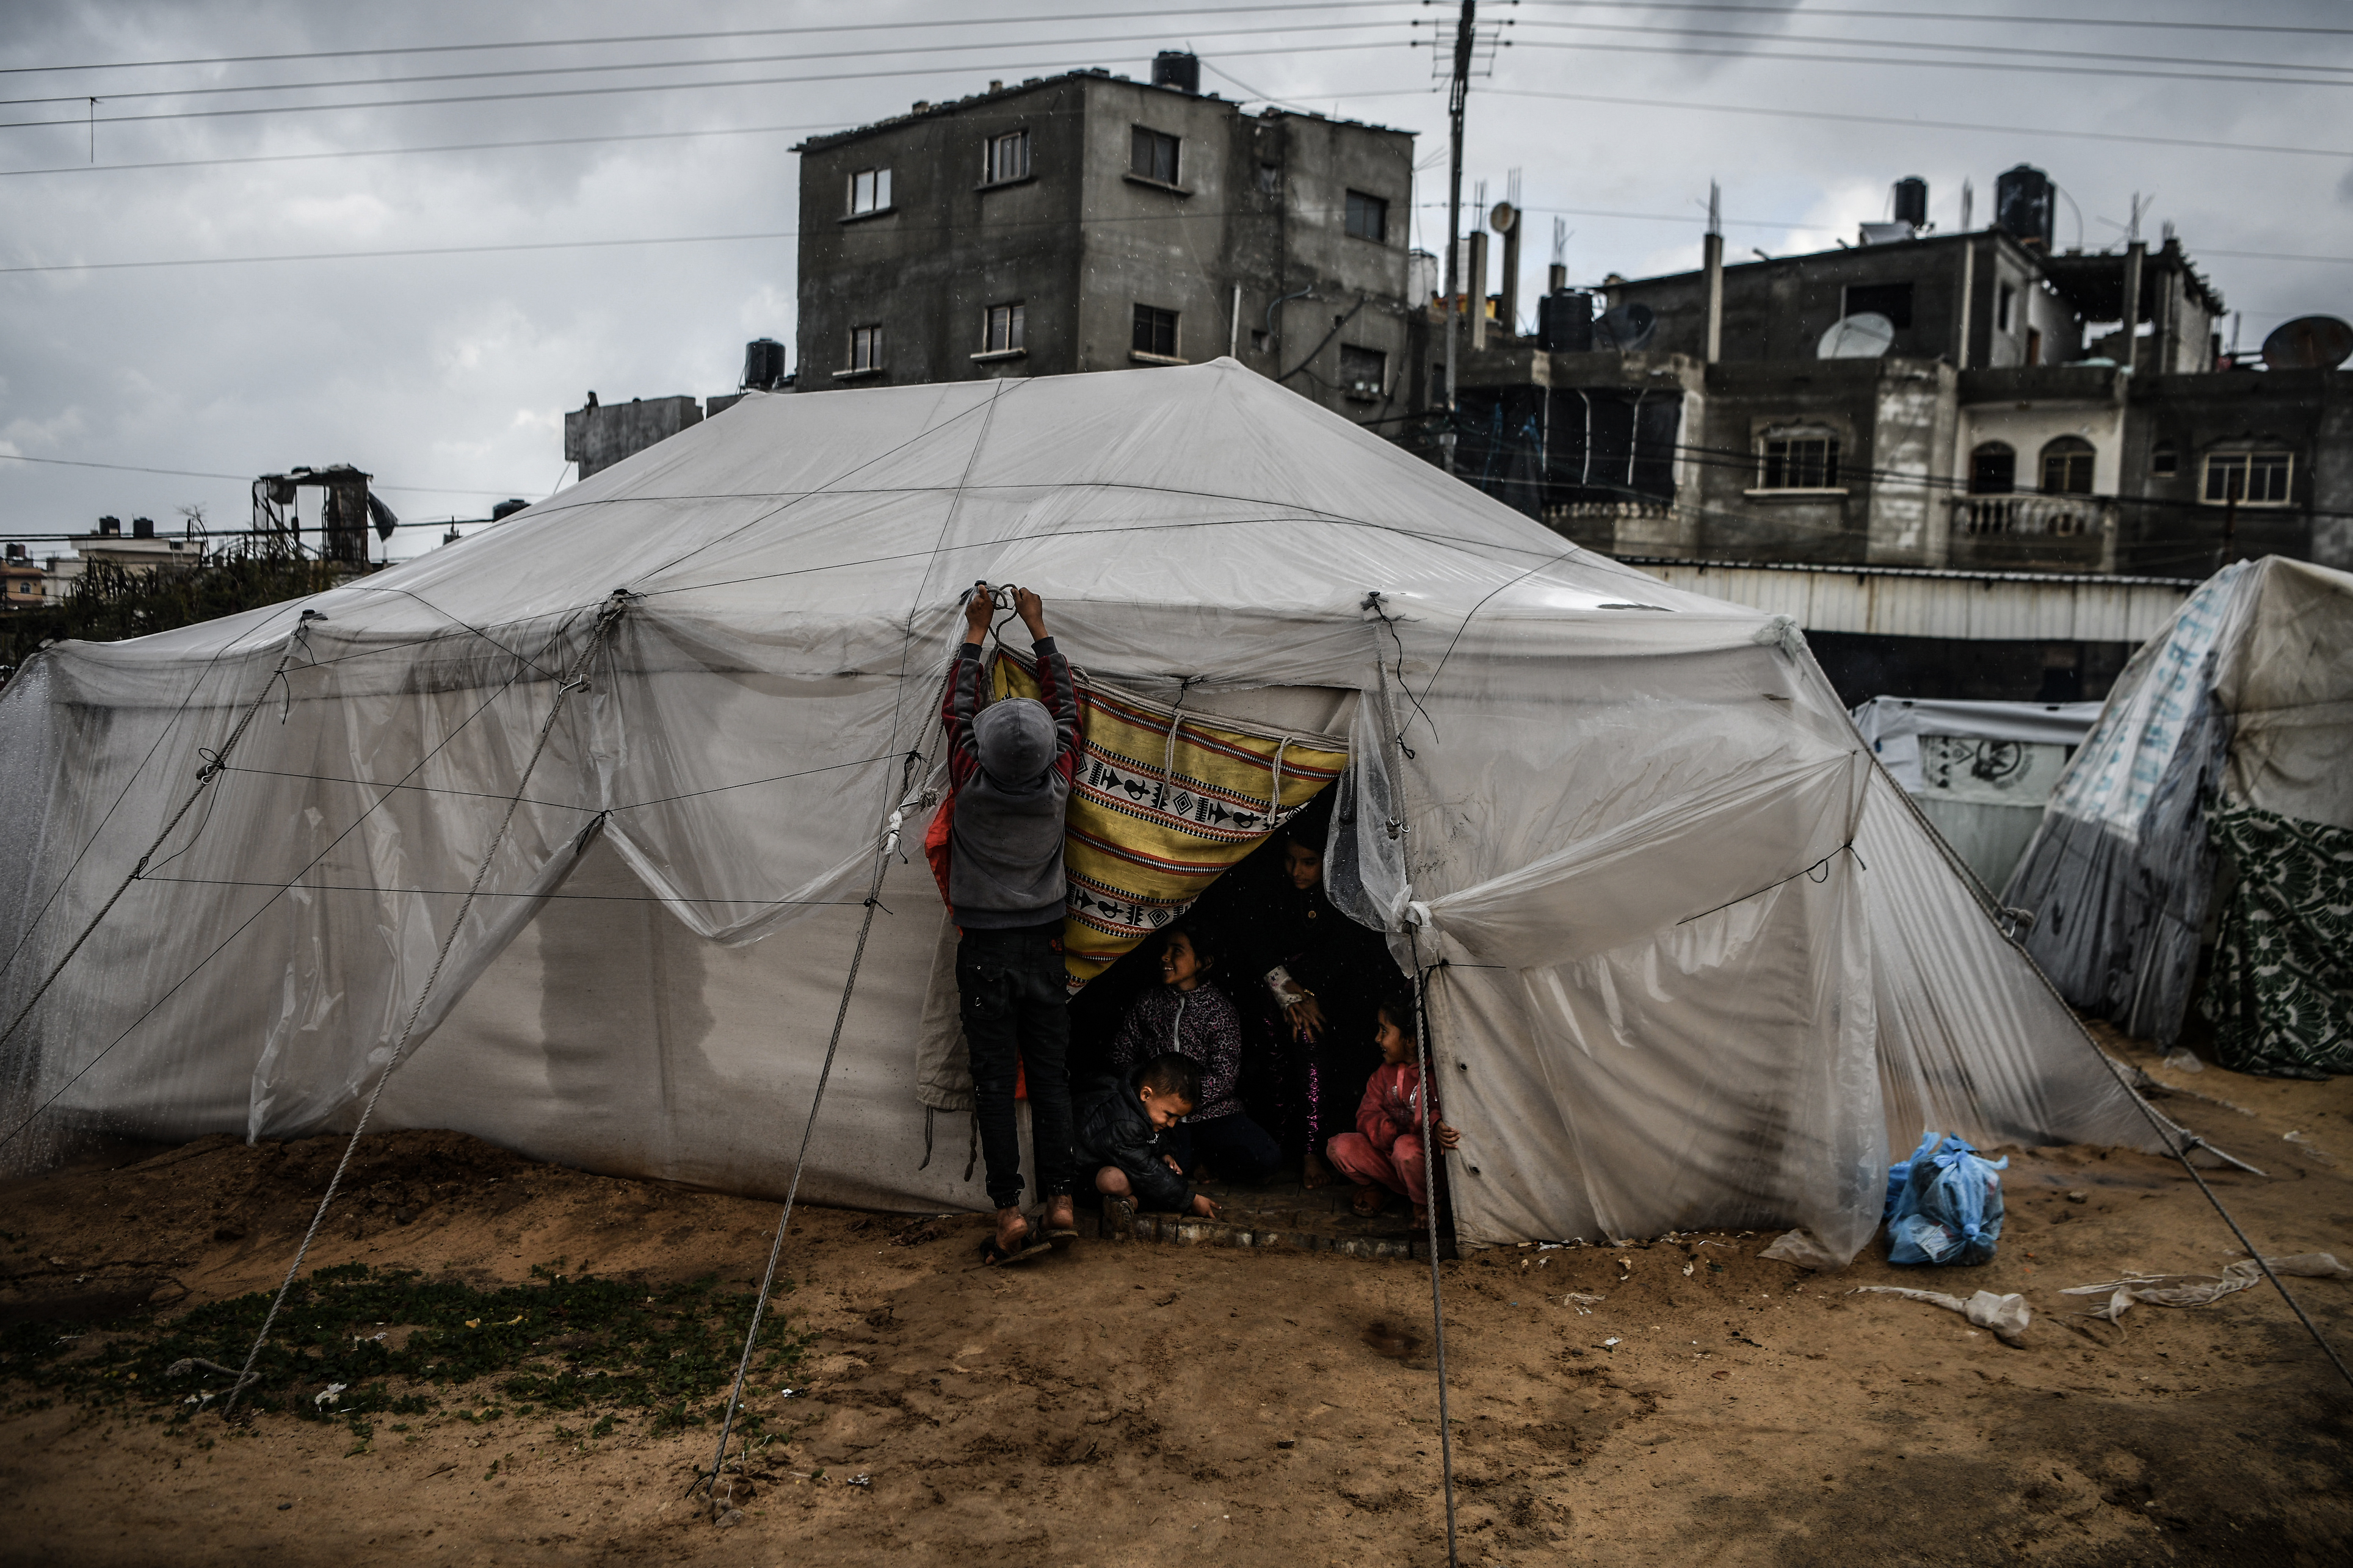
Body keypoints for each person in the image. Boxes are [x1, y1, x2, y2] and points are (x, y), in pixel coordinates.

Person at [944, 581, 1083, 1264]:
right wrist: (1037, 625)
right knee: (1051, 1079)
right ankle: (1060, 1201)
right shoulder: (1058, 780)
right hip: (1044, 945)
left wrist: (976, 631)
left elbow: (955, 709)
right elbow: (1069, 707)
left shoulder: (969, 777)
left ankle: (1009, 1214)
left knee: (996, 1085)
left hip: (984, 951)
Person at [1226, 823, 1392, 1188]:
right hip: (1276, 992)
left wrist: (1308, 998)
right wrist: (1289, 994)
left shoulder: (1342, 898)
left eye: (1308, 862)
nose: (1297, 871)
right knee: (1272, 1064)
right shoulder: (1271, 890)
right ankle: (1281, 1147)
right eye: (1290, 860)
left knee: (1311, 1047)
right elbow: (1254, 941)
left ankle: (1311, 1149)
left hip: (1324, 997)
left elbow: (1343, 955)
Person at [1104, 923, 1279, 1186]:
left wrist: (1182, 1100)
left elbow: (1224, 1077)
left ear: (1203, 963)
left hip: (1211, 1114)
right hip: (1158, 1116)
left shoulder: (1220, 1010)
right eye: (1165, 951)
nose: (1165, 957)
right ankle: (1191, 1161)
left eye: (1177, 951)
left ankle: (1207, 1158)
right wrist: (1153, 1095)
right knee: (1170, 1169)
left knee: (1266, 1157)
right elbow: (1121, 1055)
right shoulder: (1148, 1002)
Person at [1325, 997, 1460, 1228]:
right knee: (1339, 1147)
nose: (1377, 1038)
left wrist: (1436, 1124)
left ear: (1409, 1041)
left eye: (1384, 1031)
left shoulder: (1439, 1073)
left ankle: (1428, 1203)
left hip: (1426, 1167)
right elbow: (1366, 1113)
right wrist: (1383, 1129)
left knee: (1406, 1150)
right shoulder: (1383, 1074)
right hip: (1392, 1155)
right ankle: (1377, 1188)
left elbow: (1449, 1111)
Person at [1075, 1051, 1222, 1223]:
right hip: (1079, 1178)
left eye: (1177, 1118)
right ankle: (1133, 1202)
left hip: (1117, 1163)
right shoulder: (1123, 1122)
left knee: (1159, 1177)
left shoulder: (1144, 1108)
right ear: (1146, 1094)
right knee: (1125, 1181)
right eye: (1170, 1115)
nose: (1172, 1124)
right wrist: (1190, 1199)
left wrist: (1165, 1154)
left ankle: (1127, 1203)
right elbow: (1147, 1171)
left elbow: (1156, 1141)